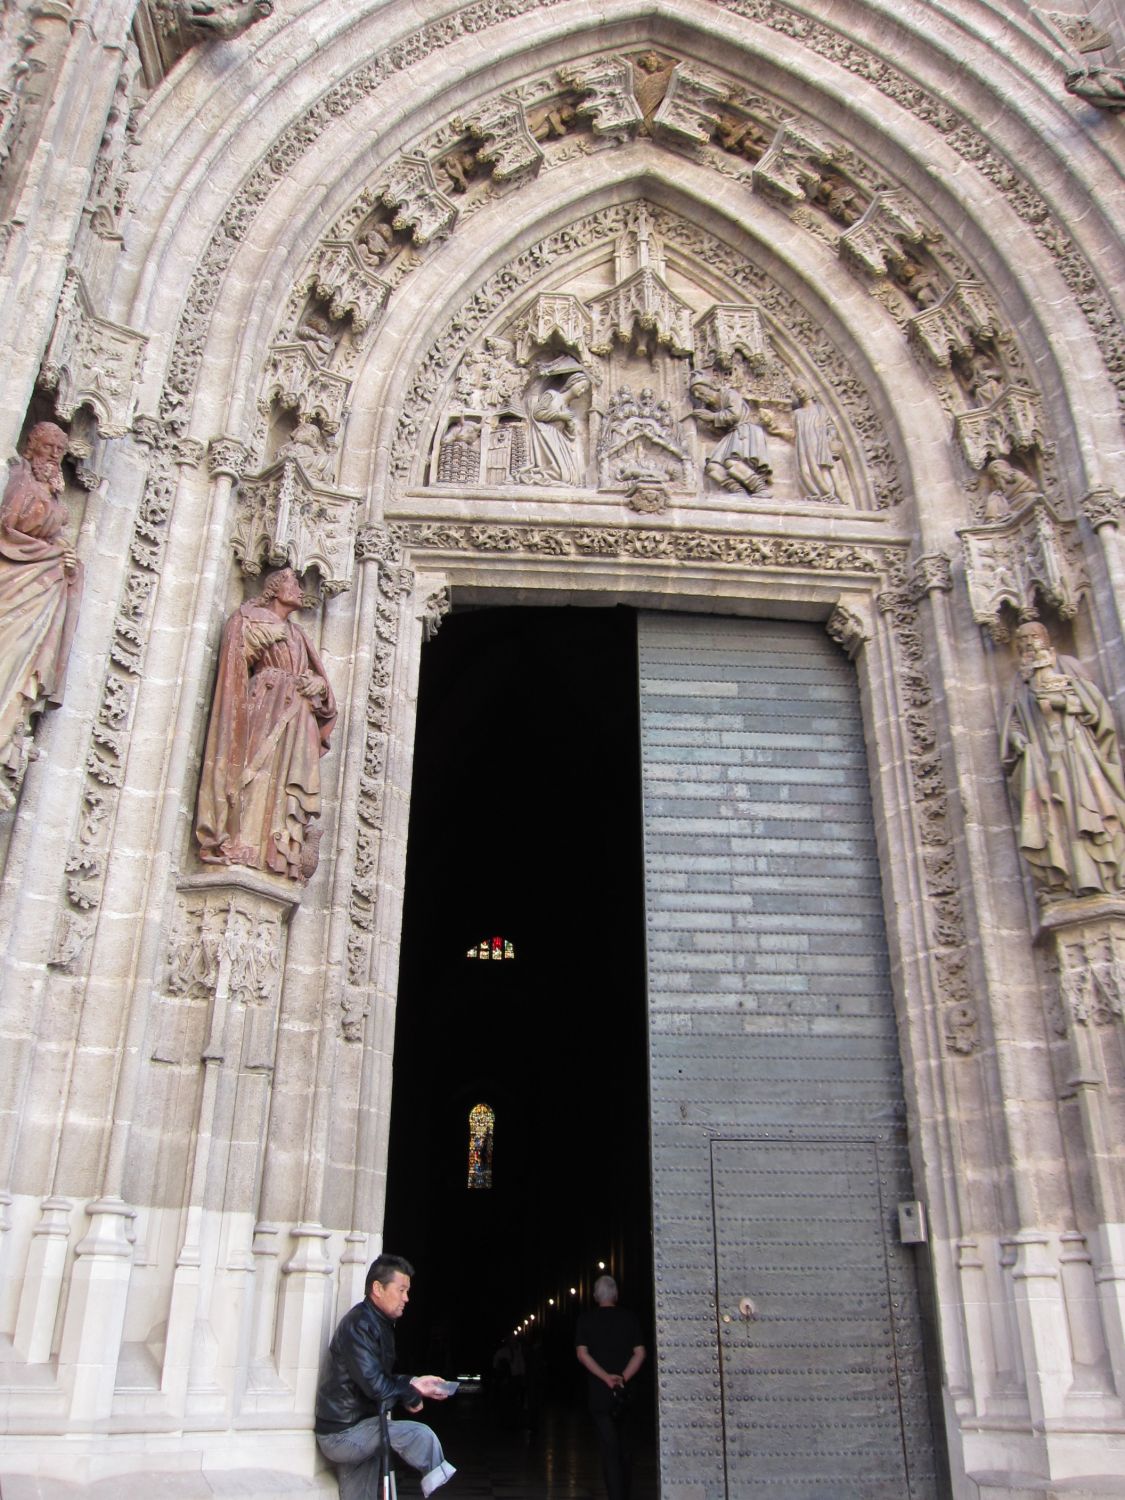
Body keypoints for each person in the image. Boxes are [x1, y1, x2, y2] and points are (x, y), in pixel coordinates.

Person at [195, 566, 336, 881]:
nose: (300, 590)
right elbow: (237, 656)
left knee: (286, 783)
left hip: (298, 716)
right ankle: (241, 839)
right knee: (256, 772)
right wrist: (259, 637)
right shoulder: (249, 618)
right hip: (265, 707)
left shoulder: (299, 635)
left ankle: (275, 850)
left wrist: (318, 686)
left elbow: (319, 681)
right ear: (275, 589)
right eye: (293, 584)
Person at [1001, 620, 1125, 898]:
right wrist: (1016, 738)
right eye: (1022, 639)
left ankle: (1105, 875)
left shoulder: (1067, 666)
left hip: (1077, 751)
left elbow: (1096, 709)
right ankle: (1063, 879)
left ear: (1045, 638)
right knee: (1053, 820)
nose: (1028, 643)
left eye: (1033, 636)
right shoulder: (1020, 682)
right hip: (1042, 760)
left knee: (1089, 806)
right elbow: (1014, 721)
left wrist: (1063, 703)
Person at [315, 1254, 456, 1499]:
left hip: (363, 1426)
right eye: (401, 1290)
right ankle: (435, 1478)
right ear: (377, 1288)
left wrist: (413, 1382)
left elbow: (377, 1377)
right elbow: (376, 1386)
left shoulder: (377, 1322)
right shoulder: (359, 1324)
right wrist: (411, 1394)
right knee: (420, 1435)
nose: (406, 1298)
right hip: (344, 1433)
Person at [0, 421, 83, 805]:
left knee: (17, 677)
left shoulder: (51, 494)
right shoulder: (19, 478)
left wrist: (66, 562)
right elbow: (13, 522)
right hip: (13, 589)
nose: (54, 456)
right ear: (31, 447)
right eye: (48, 446)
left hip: (38, 601)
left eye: (60, 451)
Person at [575, 1275, 646, 1500]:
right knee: (625, 1447)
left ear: (596, 1296)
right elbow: (640, 1353)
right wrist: (622, 1377)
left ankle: (616, 1495)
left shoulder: (586, 1320)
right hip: (625, 1392)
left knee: (609, 1449)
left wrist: (605, 1378)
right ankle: (625, 1492)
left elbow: (582, 1353)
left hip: (600, 1393)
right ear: (615, 1294)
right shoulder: (629, 1318)